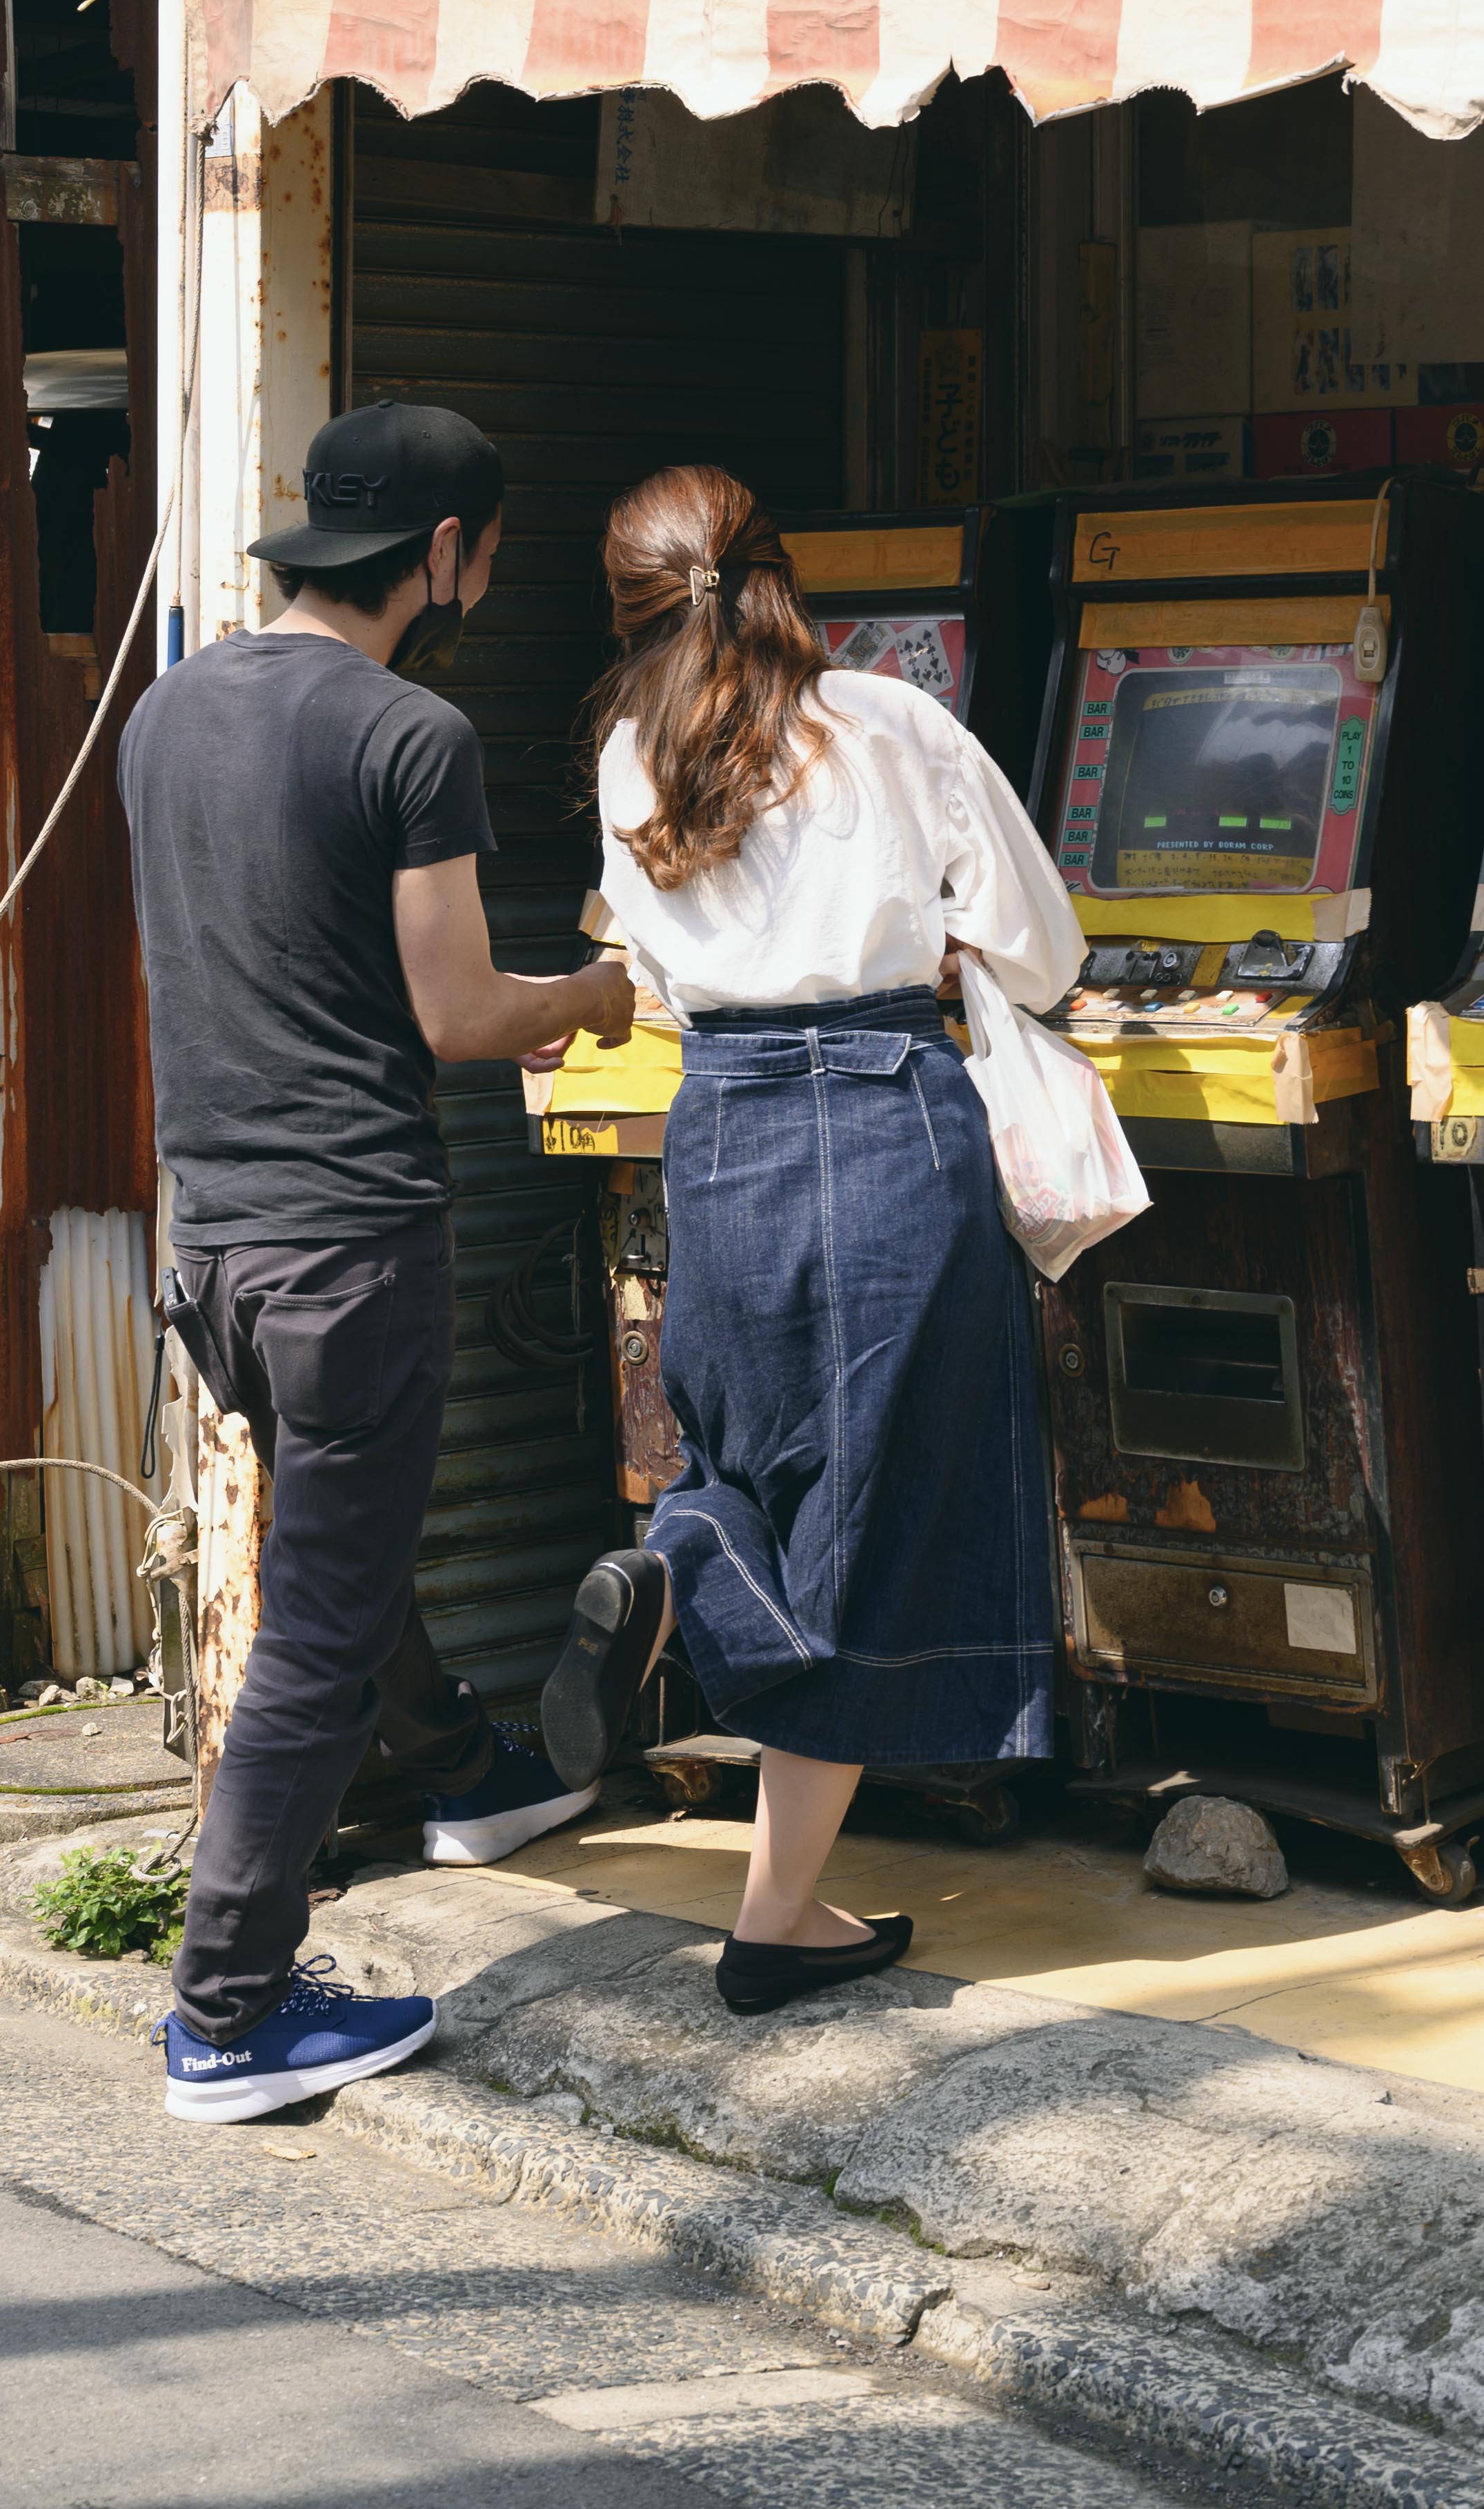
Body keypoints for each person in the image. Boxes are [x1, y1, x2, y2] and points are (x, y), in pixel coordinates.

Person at [119, 400, 637, 2123]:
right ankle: (229, 2010)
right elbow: (463, 1013)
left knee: (340, 1536)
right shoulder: (415, 732)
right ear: (445, 554)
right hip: (352, 1244)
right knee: (318, 1618)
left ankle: (466, 1766)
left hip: (215, 1244)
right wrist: (593, 996)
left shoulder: (169, 707)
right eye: (486, 547)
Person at [537, 463, 1083, 2013]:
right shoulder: (889, 721)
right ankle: (684, 1577)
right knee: (877, 1502)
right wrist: (957, 937)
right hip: (884, 1113)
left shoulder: (627, 756)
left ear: (633, 602)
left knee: (758, 1457)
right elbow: (1045, 947)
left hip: (720, 1128)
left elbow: (639, 961)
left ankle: (776, 1901)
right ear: (779, 572)